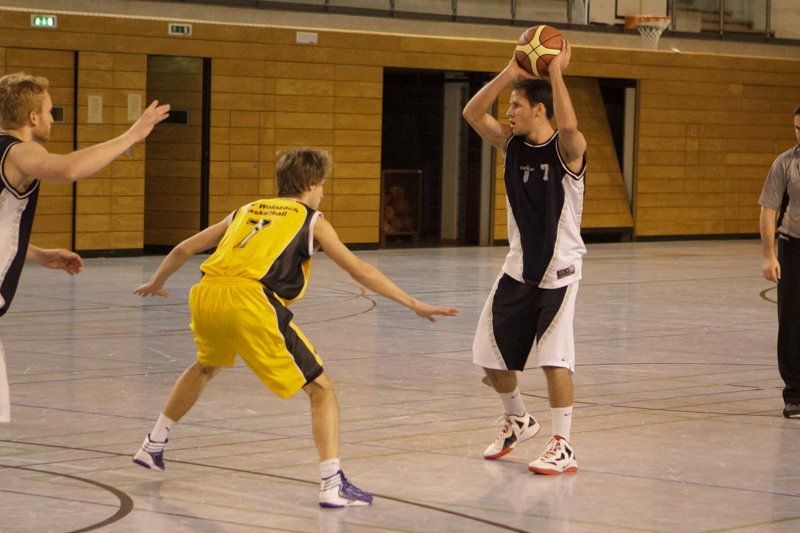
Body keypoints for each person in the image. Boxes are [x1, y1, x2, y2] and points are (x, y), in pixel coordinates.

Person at [131, 147, 459, 507]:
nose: (323, 193)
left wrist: (156, 281)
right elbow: (358, 270)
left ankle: (153, 443)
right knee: (321, 389)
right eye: (323, 185)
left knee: (205, 366)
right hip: (250, 300)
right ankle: (332, 484)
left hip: (207, 294)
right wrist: (413, 303)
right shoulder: (312, 219)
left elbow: (184, 248)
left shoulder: (246, 210)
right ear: (312, 184)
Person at [0, 72, 169, 423]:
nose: (51, 118)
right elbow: (69, 169)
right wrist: (132, 135)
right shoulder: (18, 152)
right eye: (49, 111)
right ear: (32, 117)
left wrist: (37, 253)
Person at [462, 41, 586, 475]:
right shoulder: (510, 144)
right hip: (518, 268)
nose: (509, 112)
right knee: (488, 355)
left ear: (540, 110)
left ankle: (563, 445)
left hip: (560, 271)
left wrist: (555, 72)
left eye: (516, 105)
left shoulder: (567, 149)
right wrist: (510, 73)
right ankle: (518, 419)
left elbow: (568, 126)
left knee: (554, 358)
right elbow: (472, 113)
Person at [759, 105, 800, 419]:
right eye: (798, 129)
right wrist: (769, 255)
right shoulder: (785, 163)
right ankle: (795, 395)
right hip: (792, 248)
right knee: (791, 322)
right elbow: (769, 210)